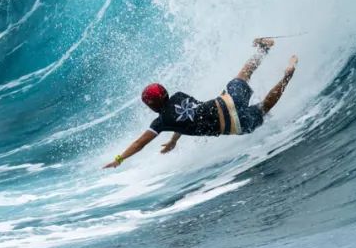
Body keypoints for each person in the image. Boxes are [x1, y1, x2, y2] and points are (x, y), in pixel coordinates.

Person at [103, 38, 298, 168]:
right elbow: (187, 117)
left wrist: (119, 159)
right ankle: (263, 49)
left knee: (264, 107)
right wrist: (173, 140)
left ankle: (287, 77)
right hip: (228, 101)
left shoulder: (161, 122)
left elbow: (140, 143)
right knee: (243, 74)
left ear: (151, 106)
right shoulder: (179, 96)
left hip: (235, 124)